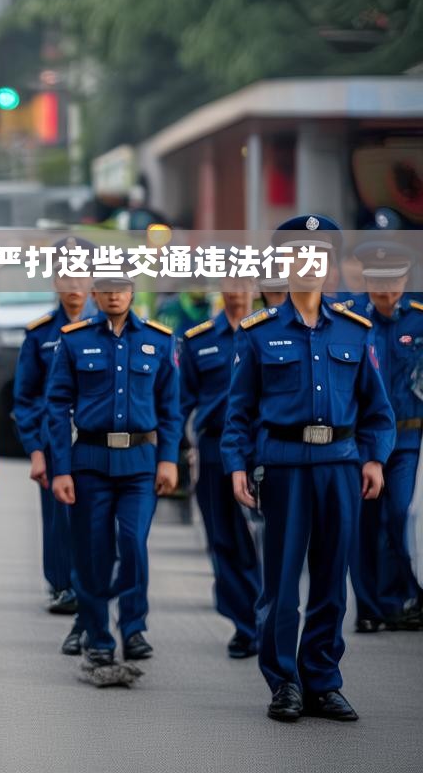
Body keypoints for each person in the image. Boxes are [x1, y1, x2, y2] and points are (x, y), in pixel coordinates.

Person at [221, 215, 395, 723]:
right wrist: (236, 466)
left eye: (317, 255)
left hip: (340, 467)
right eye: (297, 255)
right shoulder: (258, 333)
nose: (307, 263)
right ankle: (284, 683)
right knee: (279, 582)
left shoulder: (354, 331)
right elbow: (240, 411)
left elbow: (377, 410)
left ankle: (321, 680)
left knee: (329, 579)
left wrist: (375, 459)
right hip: (284, 468)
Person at [48, 276, 181, 670]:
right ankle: (98, 636)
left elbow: (171, 409)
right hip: (89, 461)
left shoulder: (160, 340)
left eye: (120, 287)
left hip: (140, 463)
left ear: (133, 291)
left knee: (133, 543)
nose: (113, 295)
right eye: (104, 288)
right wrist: (60, 469)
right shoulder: (73, 341)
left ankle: (134, 627)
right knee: (94, 553)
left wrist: (169, 459)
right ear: (94, 294)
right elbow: (56, 408)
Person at [12, 236, 95, 649]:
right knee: (59, 520)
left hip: (100, 443)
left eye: (81, 271)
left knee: (98, 523)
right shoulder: (40, 334)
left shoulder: (111, 326)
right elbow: (25, 399)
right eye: (66, 273)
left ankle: (91, 592)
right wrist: (36, 451)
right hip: (56, 442)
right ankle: (62, 584)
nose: (74, 281)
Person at [179, 279, 260, 659]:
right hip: (214, 447)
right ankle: (245, 626)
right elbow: (179, 402)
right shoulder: (199, 340)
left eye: (244, 282)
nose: (238, 290)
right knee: (224, 539)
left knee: (268, 542)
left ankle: (269, 619)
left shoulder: (269, 330)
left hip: (263, 447)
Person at [349, 241, 423, 631]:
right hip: (361, 442)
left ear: (406, 278)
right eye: (378, 278)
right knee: (363, 523)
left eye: (394, 277)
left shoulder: (419, 320)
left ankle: (399, 598)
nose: (386, 286)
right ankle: (368, 609)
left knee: (398, 515)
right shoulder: (350, 323)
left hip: (407, 442)